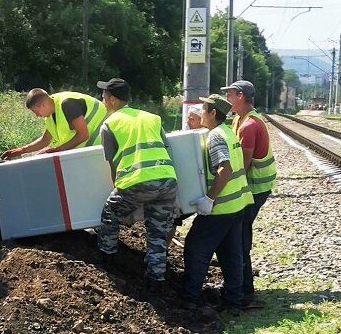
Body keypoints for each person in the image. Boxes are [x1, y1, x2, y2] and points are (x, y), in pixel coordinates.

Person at [95, 78, 178, 297]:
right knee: (158, 233)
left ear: (112, 99)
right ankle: (155, 282)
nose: (102, 100)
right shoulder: (152, 118)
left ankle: (107, 263)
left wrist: (123, 196)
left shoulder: (110, 124)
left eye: (103, 96)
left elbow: (113, 165)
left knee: (110, 215)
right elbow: (167, 149)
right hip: (168, 180)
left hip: (136, 181)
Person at [181, 94, 254, 312]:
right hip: (238, 204)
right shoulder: (229, 132)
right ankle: (233, 299)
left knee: (195, 248)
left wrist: (209, 199)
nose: (200, 113)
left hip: (221, 207)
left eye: (203, 110)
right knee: (231, 254)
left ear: (213, 113)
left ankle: (189, 298)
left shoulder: (215, 137)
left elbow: (225, 170)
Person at [222, 80, 276, 307]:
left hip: (255, 187)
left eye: (230, 94)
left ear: (241, 96)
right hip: (252, 187)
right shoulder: (239, 119)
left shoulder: (249, 125)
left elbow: (243, 165)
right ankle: (241, 285)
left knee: (240, 236)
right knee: (240, 235)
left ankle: (244, 290)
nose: (227, 99)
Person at [1, 88, 107, 159]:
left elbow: (83, 135)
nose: (37, 116)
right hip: (91, 152)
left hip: (103, 147)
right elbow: (44, 140)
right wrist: (21, 150)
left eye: (36, 112)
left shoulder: (67, 104)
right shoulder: (51, 115)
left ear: (42, 105)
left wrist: (56, 151)